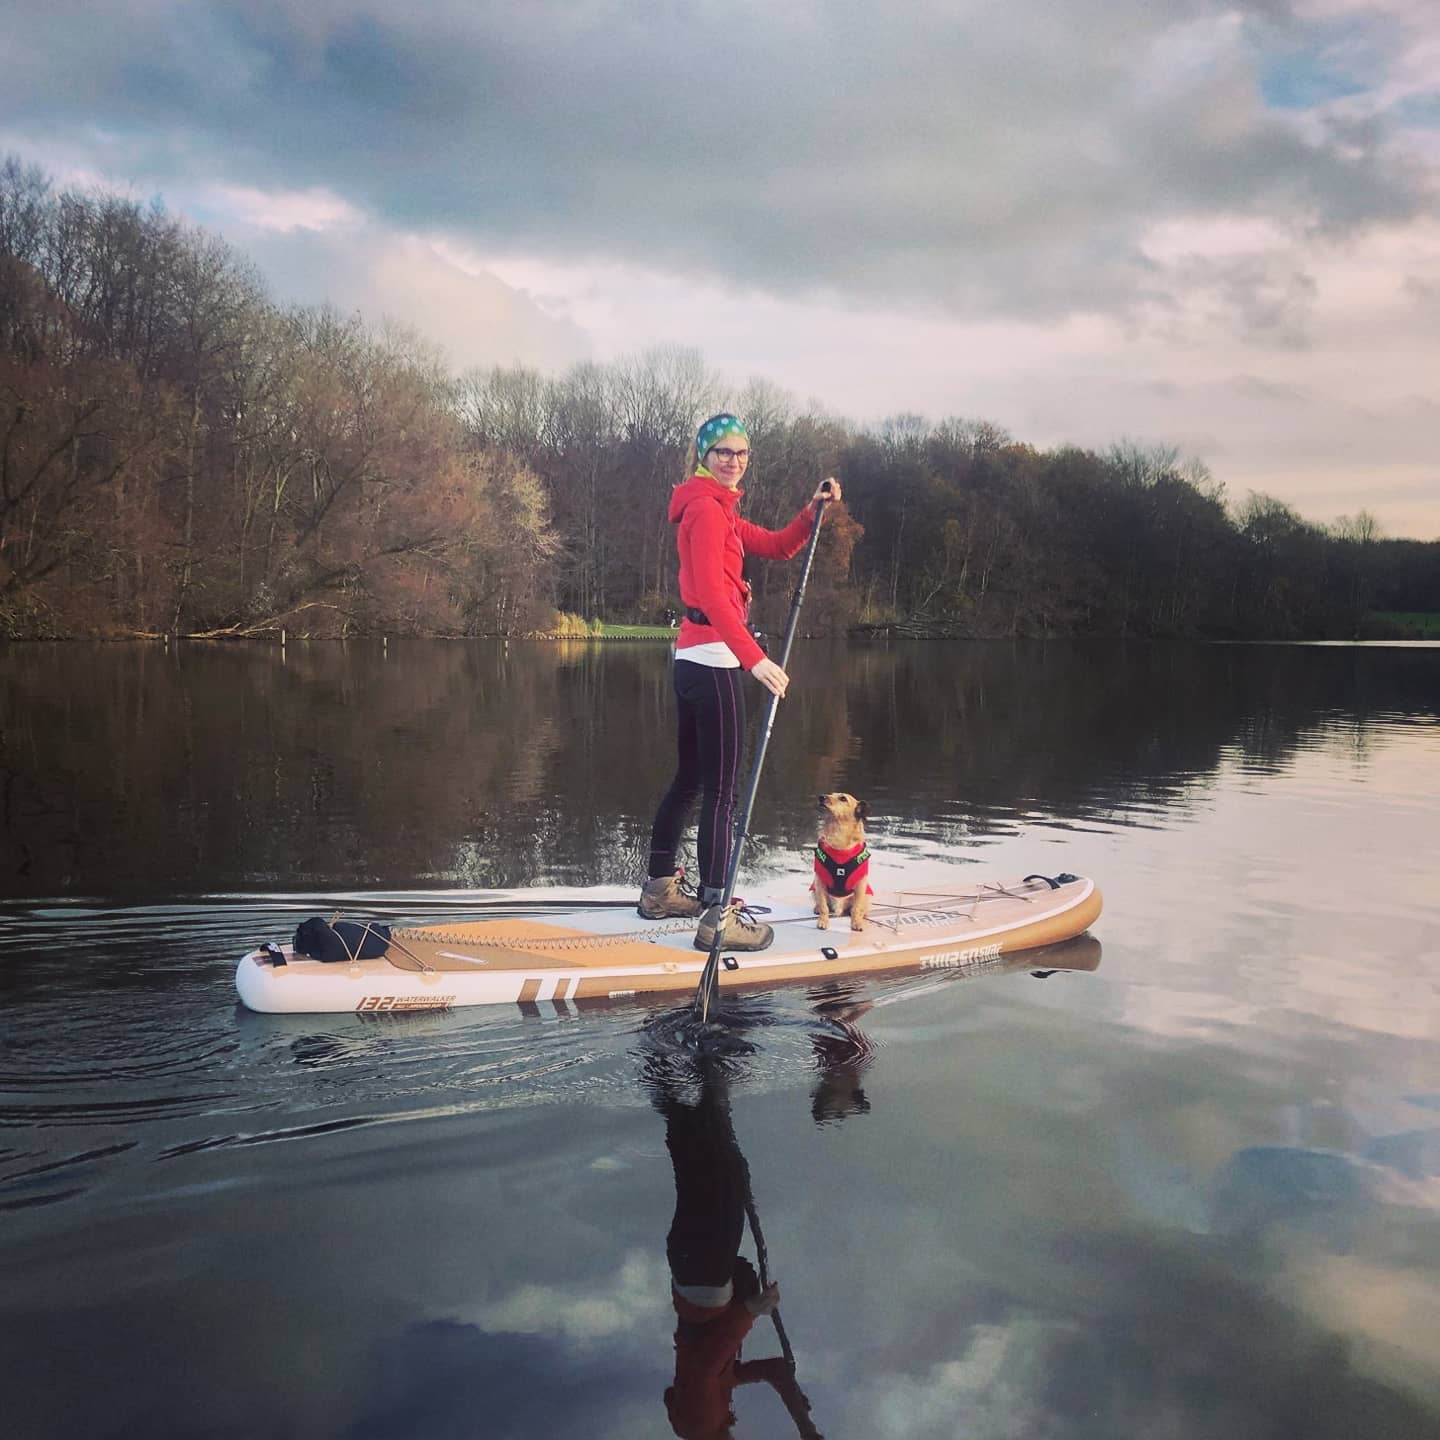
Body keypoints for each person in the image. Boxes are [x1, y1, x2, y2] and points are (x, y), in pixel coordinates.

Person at [638, 413, 841, 952]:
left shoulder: (720, 510)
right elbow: (711, 595)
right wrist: (753, 659)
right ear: (703, 455)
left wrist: (811, 512)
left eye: (740, 452)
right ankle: (716, 915)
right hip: (715, 662)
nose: (732, 460)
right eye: (721, 451)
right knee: (724, 795)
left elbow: (776, 546)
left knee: (691, 780)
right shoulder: (706, 511)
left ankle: (659, 889)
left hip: (692, 658)